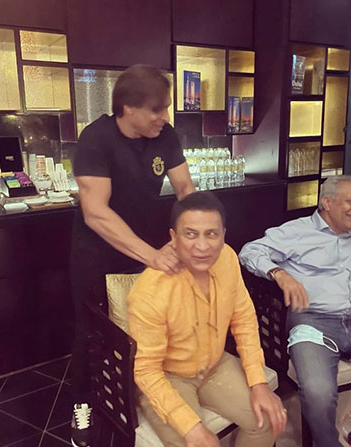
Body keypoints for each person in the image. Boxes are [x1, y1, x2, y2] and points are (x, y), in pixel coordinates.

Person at [69, 64, 195, 446]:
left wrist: (193, 235)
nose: (165, 116)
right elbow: (96, 212)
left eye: (166, 107)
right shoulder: (96, 139)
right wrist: (152, 256)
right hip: (97, 251)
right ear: (128, 108)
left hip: (147, 246)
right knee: (93, 331)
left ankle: (137, 391)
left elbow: (185, 188)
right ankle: (82, 402)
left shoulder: (165, 135)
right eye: (157, 109)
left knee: (147, 325)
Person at [128, 192, 286, 447]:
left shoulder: (227, 258)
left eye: (211, 234)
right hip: (169, 376)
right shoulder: (150, 291)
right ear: (173, 237)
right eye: (190, 234)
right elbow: (146, 370)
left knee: (267, 419)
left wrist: (259, 383)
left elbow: (244, 319)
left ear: (223, 235)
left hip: (215, 364)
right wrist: (191, 428)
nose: (202, 246)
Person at [239, 175, 351, 447]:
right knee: (318, 391)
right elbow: (249, 251)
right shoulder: (296, 232)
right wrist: (279, 274)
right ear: (327, 203)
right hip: (313, 321)